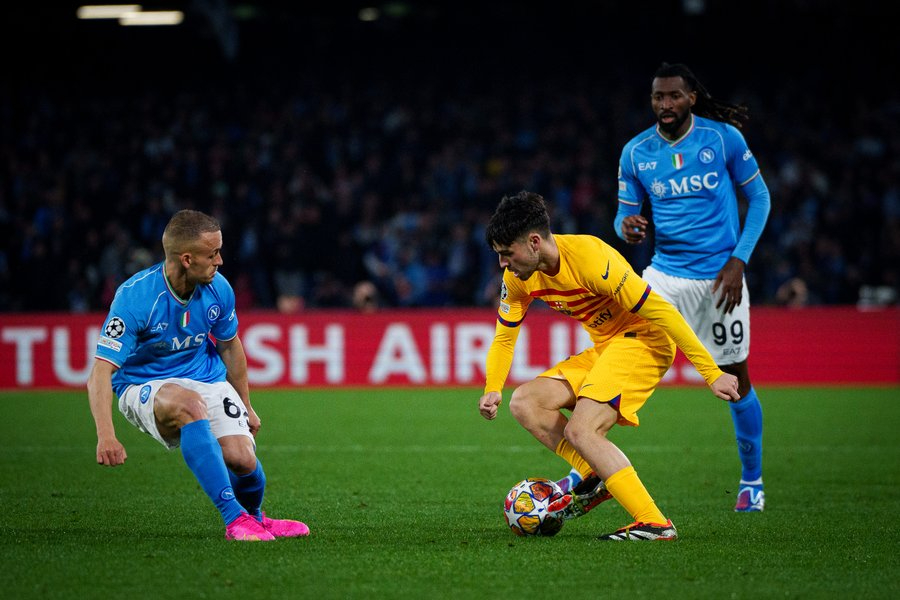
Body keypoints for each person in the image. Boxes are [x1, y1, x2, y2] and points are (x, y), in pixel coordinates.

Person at [478, 191, 740, 541]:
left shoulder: (591, 259)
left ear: (534, 242)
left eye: (507, 253)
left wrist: (711, 372)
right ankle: (594, 474)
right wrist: (493, 388)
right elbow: (504, 338)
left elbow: (662, 312)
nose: (502, 264)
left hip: (644, 341)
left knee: (581, 430)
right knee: (526, 402)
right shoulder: (518, 279)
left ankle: (654, 523)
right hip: (606, 346)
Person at [87, 209, 310, 542]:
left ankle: (255, 518)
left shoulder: (219, 288)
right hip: (144, 384)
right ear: (187, 259)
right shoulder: (136, 297)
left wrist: (247, 406)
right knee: (189, 405)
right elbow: (100, 372)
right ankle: (234, 520)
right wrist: (106, 434)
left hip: (205, 377)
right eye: (213, 254)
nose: (220, 261)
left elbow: (230, 347)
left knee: (242, 459)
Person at [613, 62, 771, 512]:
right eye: (658, 97)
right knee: (621, 359)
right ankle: (588, 464)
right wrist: (626, 228)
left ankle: (752, 481)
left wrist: (739, 259)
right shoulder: (636, 152)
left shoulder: (723, 139)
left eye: (673, 96)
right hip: (664, 276)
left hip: (720, 279)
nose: (665, 104)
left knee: (736, 379)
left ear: (691, 98)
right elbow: (622, 217)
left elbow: (760, 198)